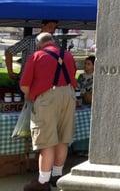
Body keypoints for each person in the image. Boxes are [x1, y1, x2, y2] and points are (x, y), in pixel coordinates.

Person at [19, 32, 77, 191]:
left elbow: (24, 85)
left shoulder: (37, 56)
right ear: (53, 42)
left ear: (39, 44)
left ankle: (43, 182)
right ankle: (57, 176)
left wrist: (31, 96)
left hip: (47, 98)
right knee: (63, 138)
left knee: (46, 141)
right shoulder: (68, 55)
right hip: (68, 95)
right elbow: (72, 77)